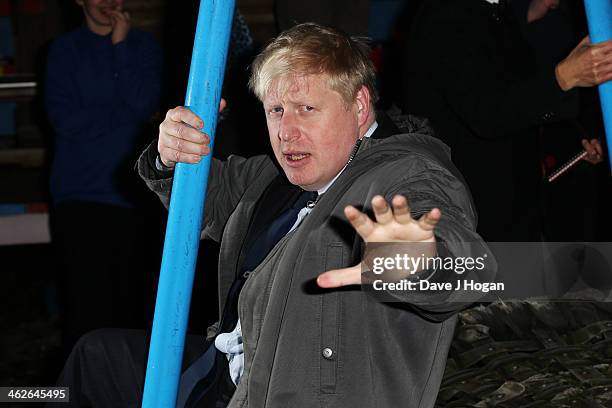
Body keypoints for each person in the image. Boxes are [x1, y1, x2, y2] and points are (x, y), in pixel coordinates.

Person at [52, 23, 490, 407]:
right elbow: (211, 196)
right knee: (96, 360)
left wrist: (414, 257)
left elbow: (464, 268)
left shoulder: (408, 173)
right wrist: (171, 155)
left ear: (358, 107)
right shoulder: (276, 177)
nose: (287, 130)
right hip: (226, 374)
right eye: (276, 110)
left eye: (307, 109)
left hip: (296, 395)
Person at [401, 0, 612, 241]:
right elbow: (485, 111)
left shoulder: (498, 14)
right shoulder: (445, 14)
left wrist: (575, 140)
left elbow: (523, 107)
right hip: (468, 216)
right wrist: (563, 77)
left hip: (511, 211)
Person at [45, 0, 161, 353]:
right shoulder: (64, 50)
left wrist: (120, 46)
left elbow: (144, 105)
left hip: (135, 194)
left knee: (133, 310)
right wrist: (124, 115)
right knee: (86, 309)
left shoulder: (143, 46)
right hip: (80, 194)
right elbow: (66, 121)